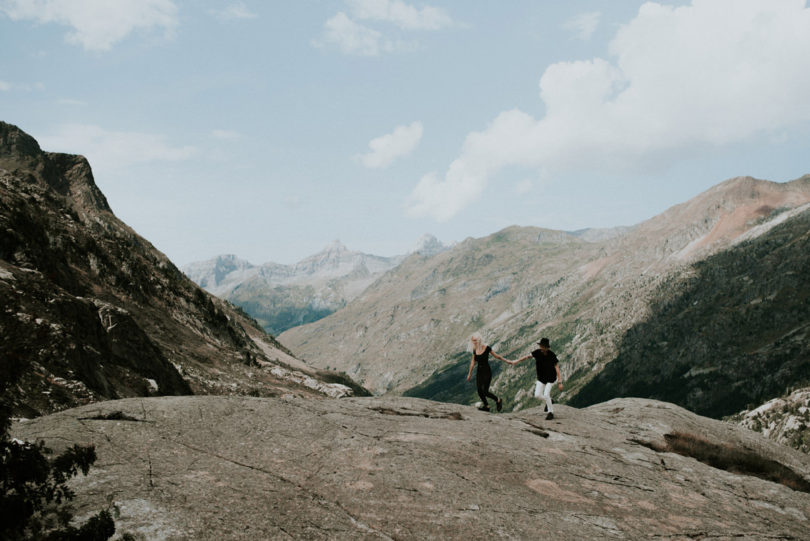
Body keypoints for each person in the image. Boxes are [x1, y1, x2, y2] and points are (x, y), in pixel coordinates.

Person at [510, 337, 562, 420]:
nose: (540, 347)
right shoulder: (537, 353)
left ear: (546, 347)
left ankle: (550, 412)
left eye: (542, 346)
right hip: (541, 378)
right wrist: (516, 361)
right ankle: (550, 400)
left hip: (551, 378)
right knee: (537, 395)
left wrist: (560, 382)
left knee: (546, 394)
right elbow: (527, 357)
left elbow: (557, 368)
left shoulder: (552, 355)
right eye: (540, 346)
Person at [466, 334, 509, 412]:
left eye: (475, 340)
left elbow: (497, 356)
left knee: (485, 391)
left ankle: (498, 400)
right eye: (473, 340)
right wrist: (469, 373)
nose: (473, 342)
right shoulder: (474, 349)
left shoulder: (487, 348)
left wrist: (507, 361)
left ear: (479, 340)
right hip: (479, 371)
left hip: (487, 371)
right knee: (479, 390)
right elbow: (473, 361)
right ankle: (487, 406)